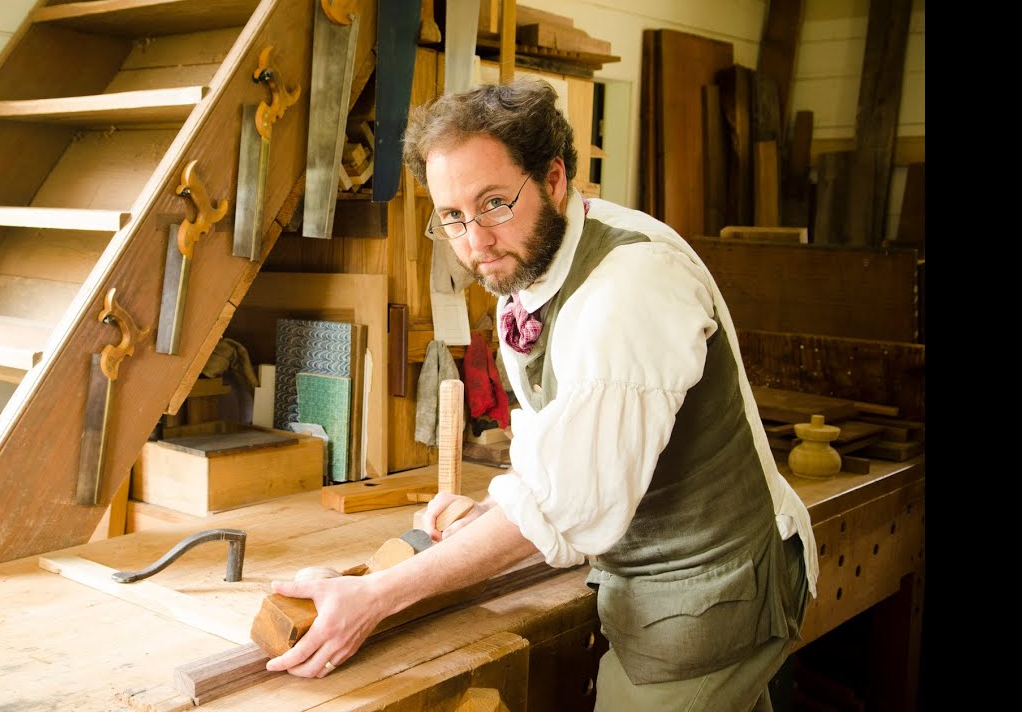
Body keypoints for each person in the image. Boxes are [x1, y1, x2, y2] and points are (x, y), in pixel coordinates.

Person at [265, 77, 819, 712]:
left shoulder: (626, 290)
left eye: (495, 202)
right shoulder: (538, 258)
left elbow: (563, 505)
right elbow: (558, 456)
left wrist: (378, 596)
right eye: (452, 216)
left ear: (555, 179)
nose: (475, 242)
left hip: (712, 590)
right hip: (645, 573)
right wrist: (499, 515)